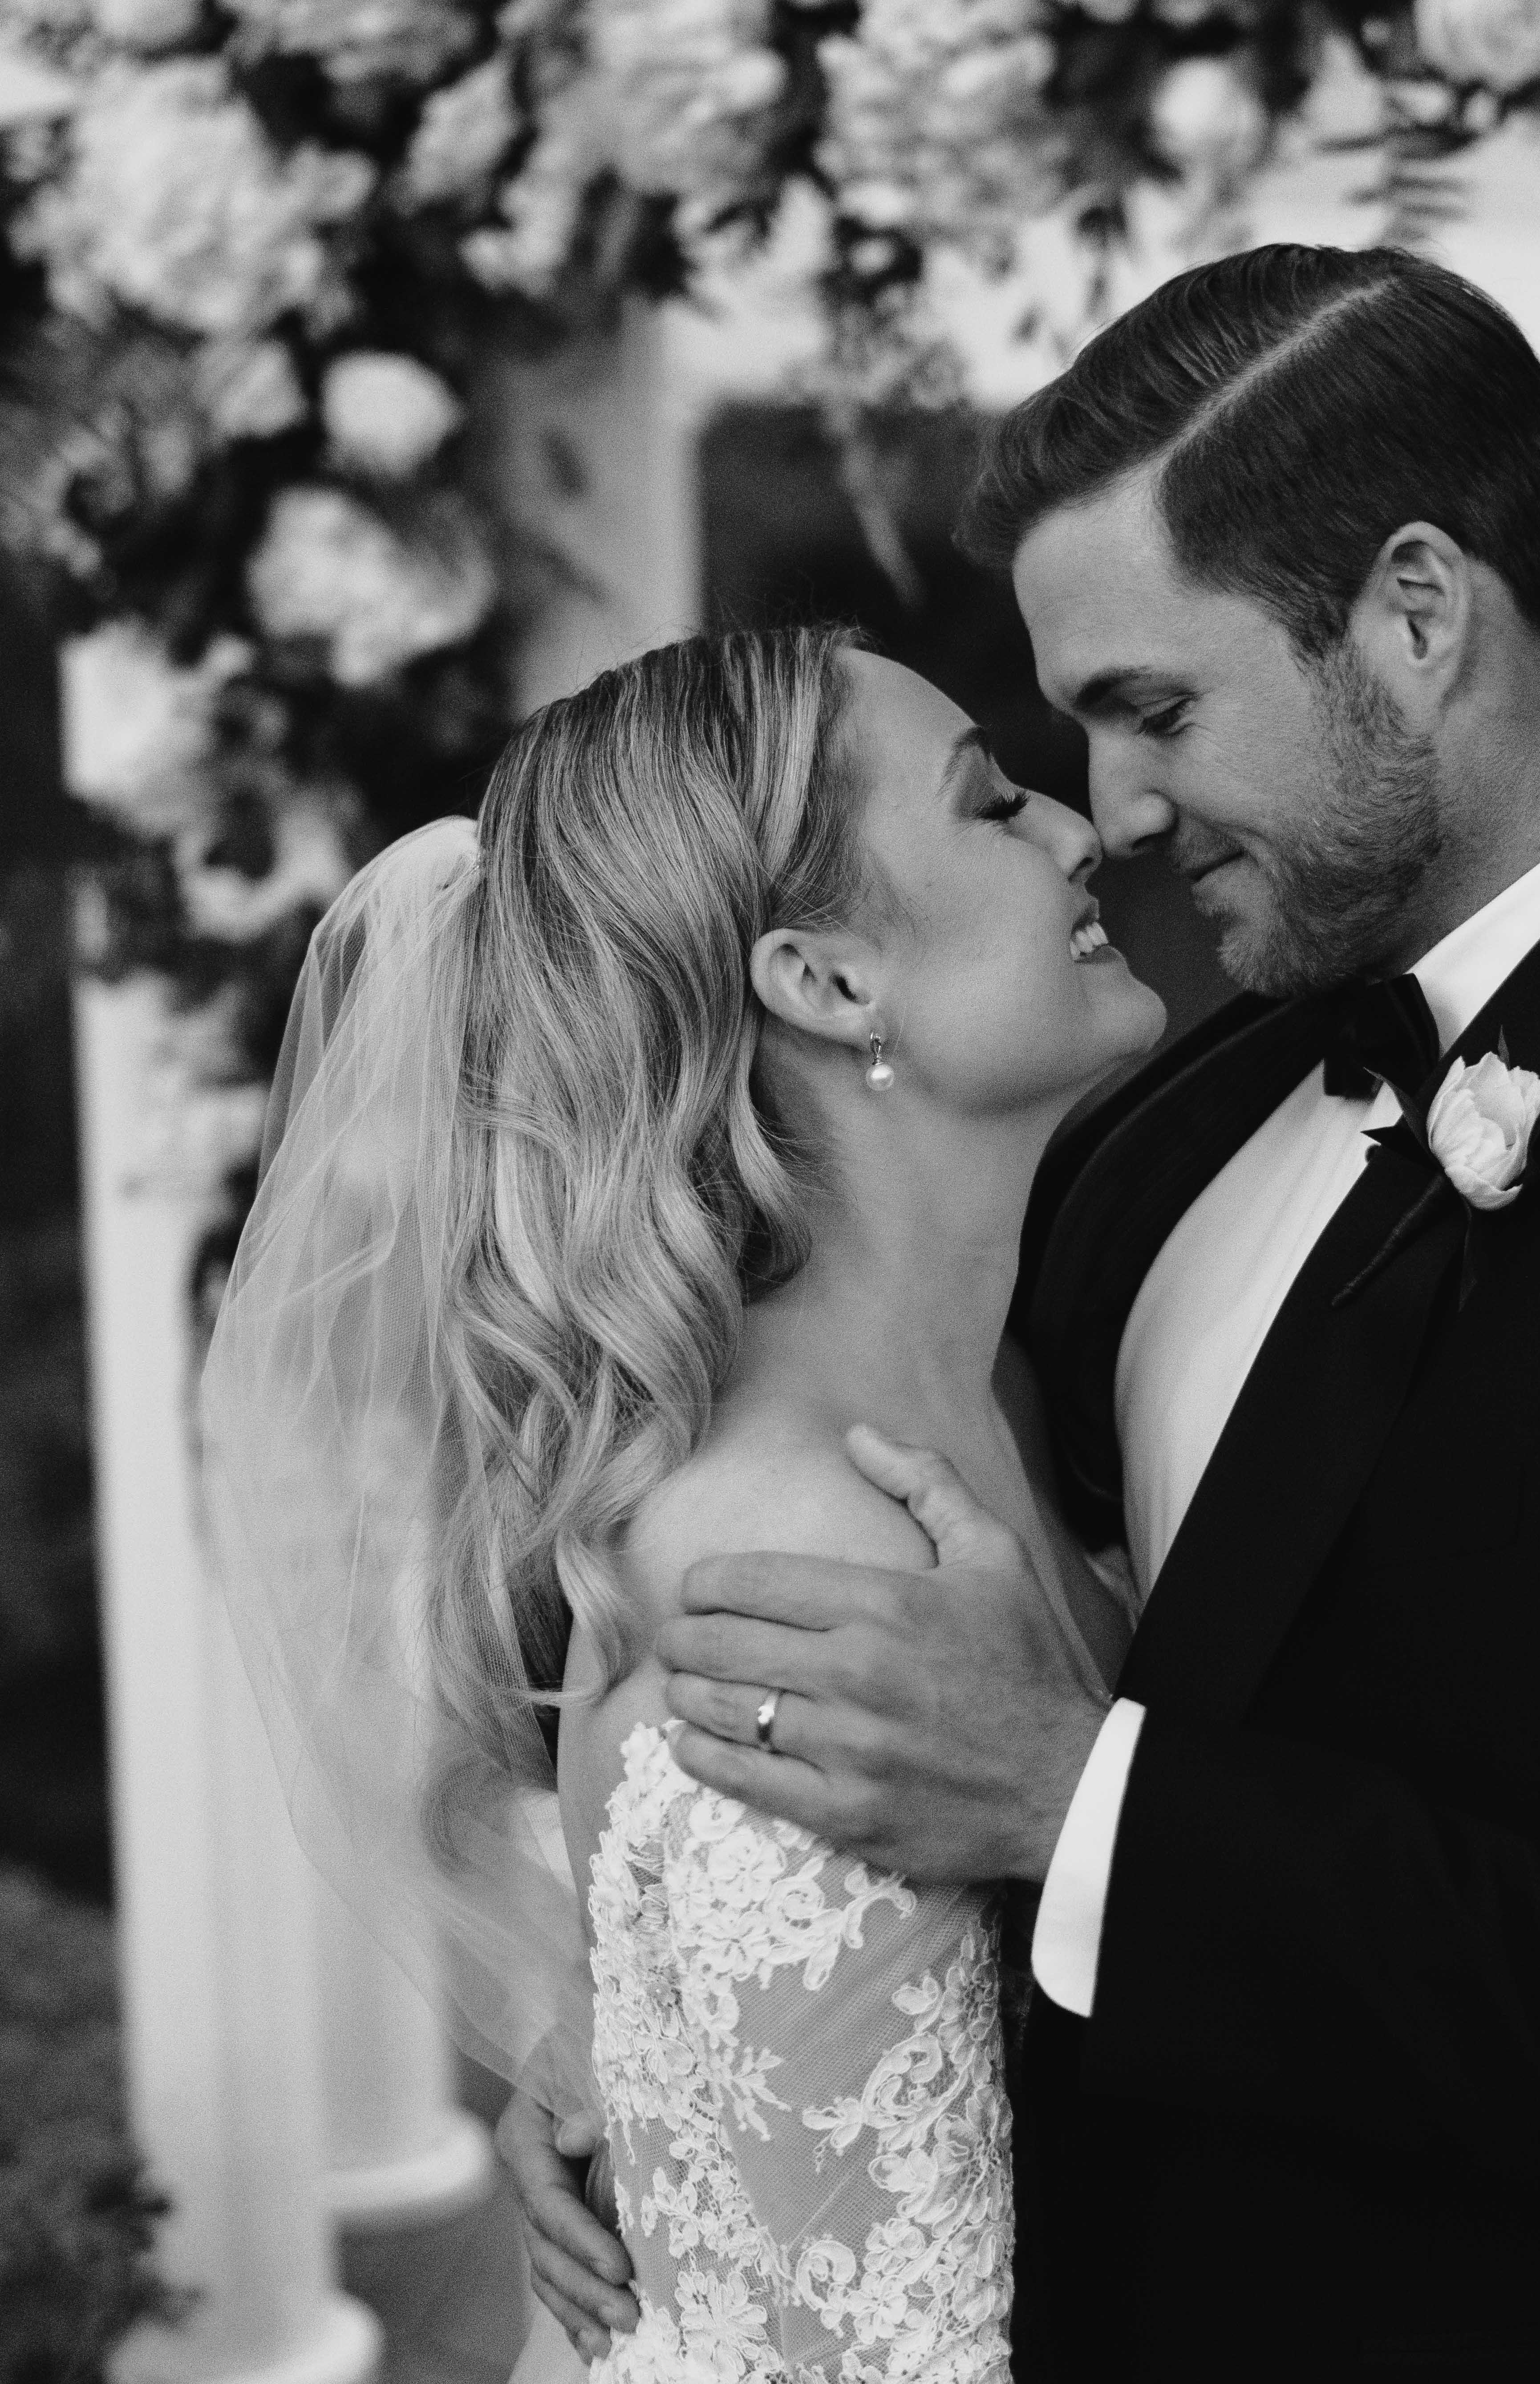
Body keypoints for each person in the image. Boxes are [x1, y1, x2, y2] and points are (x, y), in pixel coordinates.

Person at [509, 244, 1540, 2381]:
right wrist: (665, 2036)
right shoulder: (1172, 1101)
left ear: (1415, 615)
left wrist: (1088, 1804)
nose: (1117, 812)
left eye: (1153, 708)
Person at [202, 625, 1168, 2381]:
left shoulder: (977, 1401)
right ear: (825, 982)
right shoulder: (811, 1570)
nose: (1077, 827)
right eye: (988, 800)